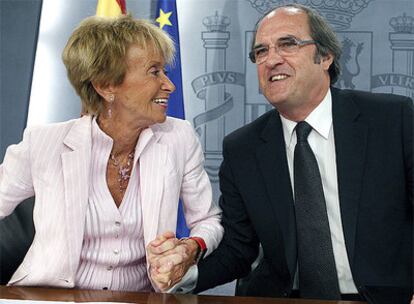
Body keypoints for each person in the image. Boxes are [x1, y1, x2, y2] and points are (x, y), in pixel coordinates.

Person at [149, 3, 413, 302]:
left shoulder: (393, 120)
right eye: (261, 52)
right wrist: (185, 274)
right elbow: (239, 248)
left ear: (325, 56)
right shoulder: (243, 148)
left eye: (288, 44)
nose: (271, 60)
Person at [0, 15, 223, 292]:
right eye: (155, 72)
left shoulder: (179, 137)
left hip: (138, 299)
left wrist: (191, 247)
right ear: (106, 86)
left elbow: (208, 220)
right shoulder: (44, 142)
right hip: (49, 296)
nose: (170, 85)